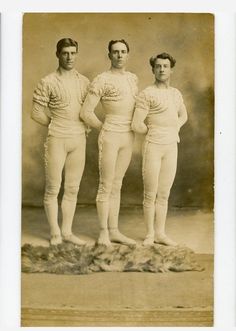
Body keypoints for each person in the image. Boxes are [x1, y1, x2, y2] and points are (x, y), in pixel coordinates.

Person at [31, 38, 90, 246]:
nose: (69, 57)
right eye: (65, 53)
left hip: (78, 139)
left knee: (72, 188)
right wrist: (56, 124)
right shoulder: (47, 81)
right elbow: (36, 112)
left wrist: (85, 125)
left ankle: (67, 232)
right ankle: (55, 232)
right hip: (57, 138)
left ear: (77, 54)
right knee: (53, 188)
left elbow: (87, 111)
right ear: (57, 54)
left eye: (73, 53)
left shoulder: (84, 81)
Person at [80, 39, 138, 247]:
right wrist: (103, 127)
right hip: (111, 135)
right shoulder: (102, 79)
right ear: (109, 55)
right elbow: (86, 112)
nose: (120, 55)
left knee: (117, 184)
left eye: (123, 51)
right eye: (115, 52)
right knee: (106, 185)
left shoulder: (132, 79)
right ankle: (103, 232)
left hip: (128, 135)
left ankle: (114, 231)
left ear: (128, 54)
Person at [131, 52, 188, 246]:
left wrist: (175, 128)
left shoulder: (175, 93)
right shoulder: (147, 93)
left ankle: (161, 233)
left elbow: (183, 115)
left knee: (164, 194)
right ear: (153, 69)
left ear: (171, 69)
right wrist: (152, 131)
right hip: (153, 146)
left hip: (171, 146)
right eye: (158, 66)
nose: (162, 69)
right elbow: (136, 123)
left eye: (165, 66)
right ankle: (149, 234)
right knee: (150, 193)